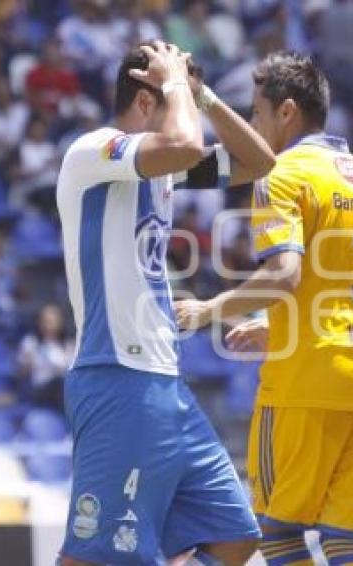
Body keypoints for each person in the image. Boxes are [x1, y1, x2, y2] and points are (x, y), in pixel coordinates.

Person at [174, 51, 353, 566]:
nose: (253, 125)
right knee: (345, 541)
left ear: (287, 112)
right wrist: (276, 330)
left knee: (276, 532)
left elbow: (284, 274)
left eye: (255, 112)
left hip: (309, 383)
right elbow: (349, 292)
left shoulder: (282, 174)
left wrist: (206, 310)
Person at [56, 40, 274, 565]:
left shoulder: (165, 169)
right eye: (173, 94)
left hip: (164, 382)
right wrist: (175, 86)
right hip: (116, 373)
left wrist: (205, 98)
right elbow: (179, 145)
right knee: (94, 555)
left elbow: (259, 160)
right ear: (147, 101)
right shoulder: (96, 150)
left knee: (235, 534)